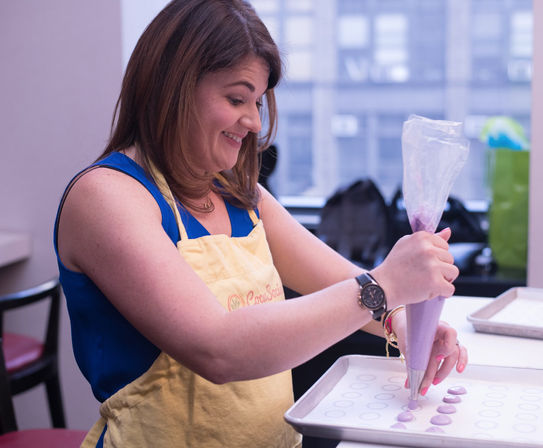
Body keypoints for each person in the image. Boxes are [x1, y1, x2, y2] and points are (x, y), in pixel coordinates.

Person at [53, 1, 467, 447]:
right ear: (171, 88)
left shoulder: (238, 193)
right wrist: (384, 287)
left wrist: (401, 321)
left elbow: (339, 281)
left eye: (256, 101)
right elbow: (218, 348)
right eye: (236, 98)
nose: (253, 122)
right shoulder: (107, 198)